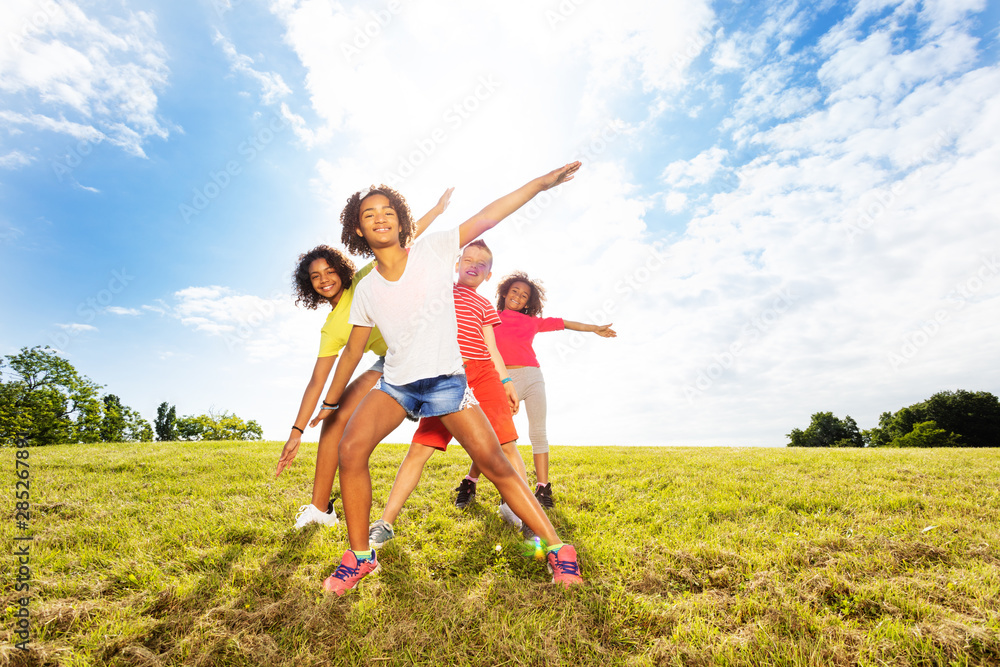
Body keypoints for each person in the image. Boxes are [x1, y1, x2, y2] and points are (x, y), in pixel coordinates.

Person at [312, 162, 585, 594]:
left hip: (445, 381)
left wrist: (540, 184)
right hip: (397, 384)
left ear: (402, 221)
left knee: (496, 464)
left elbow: (489, 214)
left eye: (387, 210)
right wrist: (330, 402)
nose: (380, 217)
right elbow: (353, 349)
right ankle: (361, 557)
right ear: (358, 230)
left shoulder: (434, 249)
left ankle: (557, 548)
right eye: (369, 214)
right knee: (351, 448)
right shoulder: (364, 290)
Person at [273, 189, 453, 529]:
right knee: (333, 419)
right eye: (315, 277)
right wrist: (296, 431)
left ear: (342, 270)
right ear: (308, 286)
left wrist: (438, 210)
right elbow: (317, 381)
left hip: (430, 352)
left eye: (329, 271)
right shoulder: (331, 329)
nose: (324, 279)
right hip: (389, 363)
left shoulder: (363, 280)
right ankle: (320, 509)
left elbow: (406, 237)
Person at [367, 239, 528, 550]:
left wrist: (506, 380)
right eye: (468, 259)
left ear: (488, 275)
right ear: (456, 264)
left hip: (483, 375)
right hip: (445, 378)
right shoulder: (438, 292)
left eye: (482, 264)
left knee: (506, 445)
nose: (473, 265)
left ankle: (522, 515)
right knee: (418, 451)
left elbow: (491, 347)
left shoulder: (484, 306)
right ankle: (385, 523)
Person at [460, 272, 616, 510]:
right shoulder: (489, 315)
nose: (518, 297)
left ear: (528, 302)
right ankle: (470, 482)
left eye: (524, 296)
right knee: (495, 436)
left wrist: (594, 328)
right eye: (515, 291)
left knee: (538, 433)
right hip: (500, 380)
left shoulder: (532, 321)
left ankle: (542, 488)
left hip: (532, 377)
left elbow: (564, 323)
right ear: (504, 292)